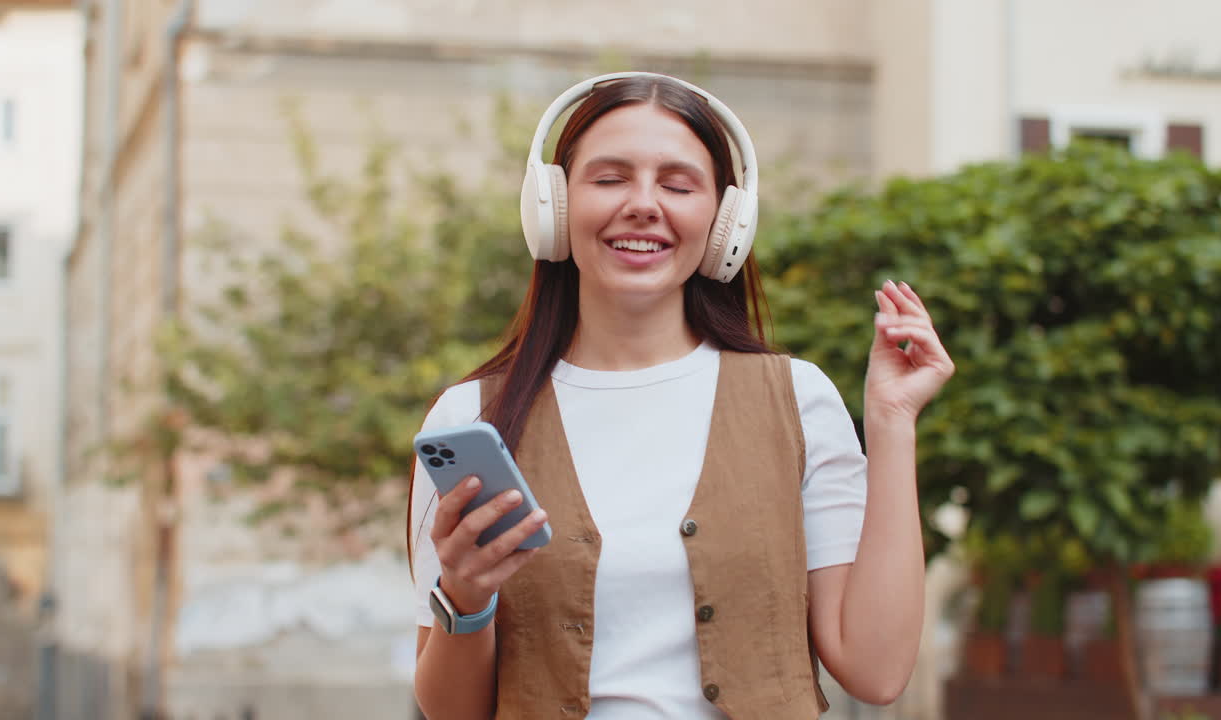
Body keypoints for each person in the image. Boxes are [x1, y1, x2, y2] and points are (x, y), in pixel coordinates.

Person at [407, 72, 955, 719]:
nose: (643, 204)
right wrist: (464, 595)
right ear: (550, 207)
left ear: (726, 222)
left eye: (677, 185)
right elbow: (451, 713)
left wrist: (892, 423)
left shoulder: (797, 401)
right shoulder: (473, 420)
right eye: (609, 179)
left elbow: (877, 669)